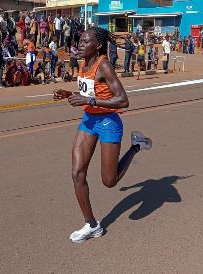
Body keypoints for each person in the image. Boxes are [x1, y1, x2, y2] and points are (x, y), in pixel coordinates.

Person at [53, 27, 152, 243]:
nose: (79, 44)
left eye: (84, 41)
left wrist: (88, 101)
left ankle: (136, 146)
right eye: (79, 40)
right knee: (77, 173)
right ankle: (92, 225)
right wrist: (69, 94)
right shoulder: (83, 63)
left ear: (97, 46)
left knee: (109, 181)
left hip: (108, 123)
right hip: (89, 121)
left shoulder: (104, 65)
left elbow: (123, 100)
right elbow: (90, 93)